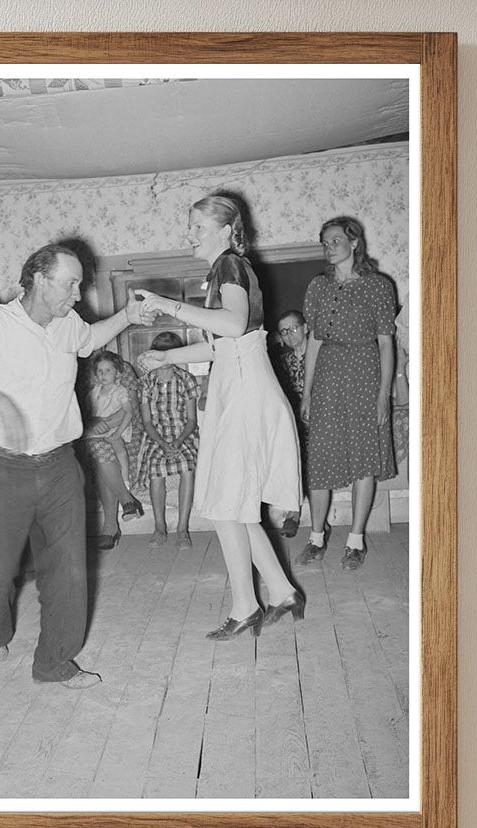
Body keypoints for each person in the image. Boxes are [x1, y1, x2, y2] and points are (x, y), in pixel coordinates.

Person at [0, 243, 155, 688]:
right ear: (39, 278)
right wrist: (2, 404)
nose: (78, 293)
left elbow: (90, 340)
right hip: (4, 468)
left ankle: (53, 662)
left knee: (70, 567)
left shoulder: (66, 323)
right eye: (70, 283)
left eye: (80, 283)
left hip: (60, 465)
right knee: (2, 566)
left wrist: (128, 317)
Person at [137, 195, 305, 640]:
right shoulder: (223, 272)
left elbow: (231, 327)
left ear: (227, 229)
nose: (189, 234)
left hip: (247, 391)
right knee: (235, 503)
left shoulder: (230, 265)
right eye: (189, 225)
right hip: (238, 383)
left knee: (227, 503)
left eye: (197, 226)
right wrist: (166, 355)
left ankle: (245, 605)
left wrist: (166, 304)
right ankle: (284, 592)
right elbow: (222, 344)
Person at [298, 216, 397, 571]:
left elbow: (386, 344)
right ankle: (316, 537)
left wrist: (383, 394)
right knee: (320, 457)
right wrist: (307, 393)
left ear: (354, 243)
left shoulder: (378, 286)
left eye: (336, 239)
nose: (329, 246)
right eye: (325, 241)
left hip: (364, 372)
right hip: (327, 374)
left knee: (363, 457)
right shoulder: (317, 286)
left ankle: (355, 540)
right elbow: (313, 342)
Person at [136, 331, 199, 549]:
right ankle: (159, 526)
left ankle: (182, 529)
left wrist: (179, 442)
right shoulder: (146, 383)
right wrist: (163, 444)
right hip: (156, 437)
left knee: (188, 467)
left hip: (184, 435)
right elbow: (147, 421)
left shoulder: (186, 380)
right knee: (156, 470)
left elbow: (191, 420)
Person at [80, 350, 144, 549]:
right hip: (90, 430)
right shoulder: (75, 369)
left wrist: (104, 424)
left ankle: (110, 525)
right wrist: (92, 422)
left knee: (100, 451)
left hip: (120, 428)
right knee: (98, 449)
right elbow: (82, 409)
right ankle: (127, 500)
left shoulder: (122, 369)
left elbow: (131, 406)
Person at [270, 309, 309, 537]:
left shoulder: (321, 355)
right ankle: (293, 513)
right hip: (292, 422)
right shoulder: (282, 362)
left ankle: (300, 516)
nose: (289, 335)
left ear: (306, 328)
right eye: (284, 332)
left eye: (293, 328)